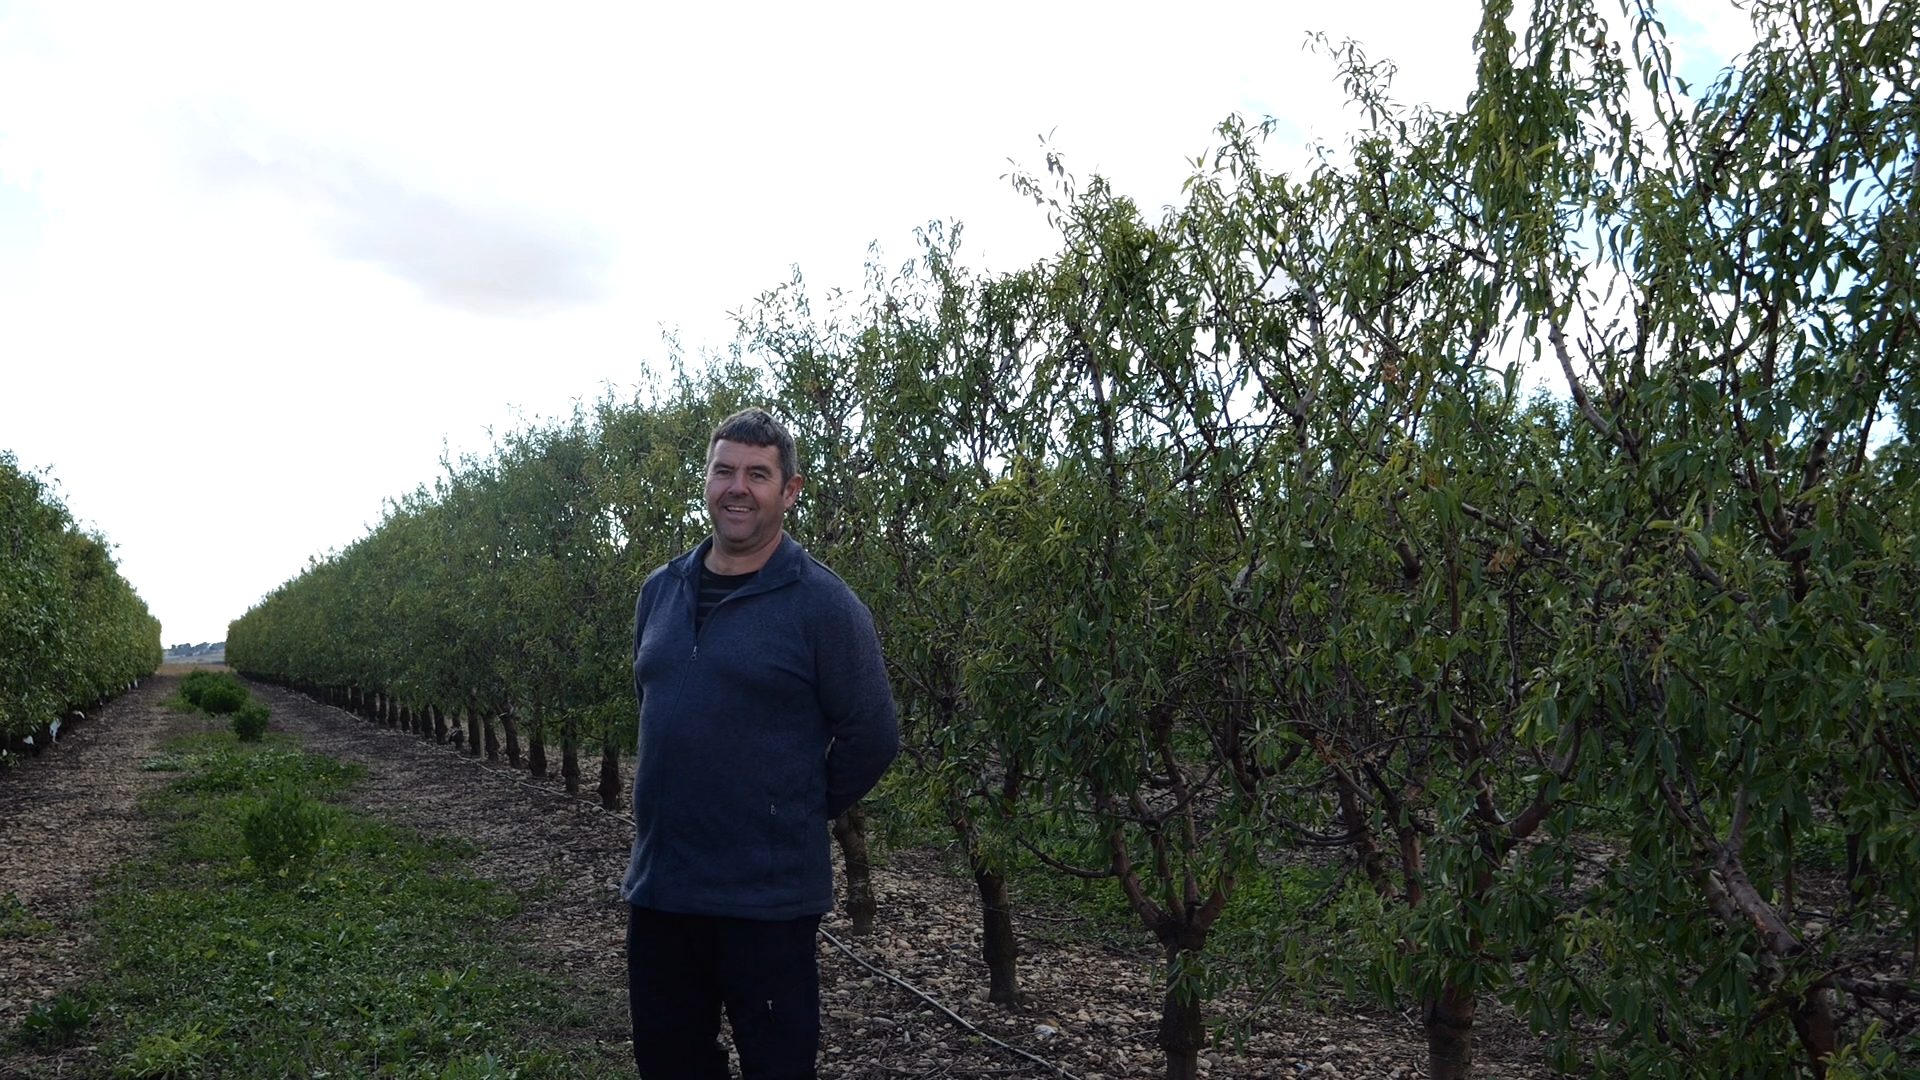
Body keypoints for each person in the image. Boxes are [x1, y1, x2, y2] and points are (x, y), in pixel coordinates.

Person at [621, 407, 898, 1080]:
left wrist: (792, 806)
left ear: (790, 491)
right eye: (724, 471)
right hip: (662, 890)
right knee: (670, 1063)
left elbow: (873, 733)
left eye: (757, 474)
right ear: (707, 482)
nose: (736, 488)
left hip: (765, 903)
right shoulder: (662, 591)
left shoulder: (823, 605)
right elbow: (658, 702)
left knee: (777, 1067)